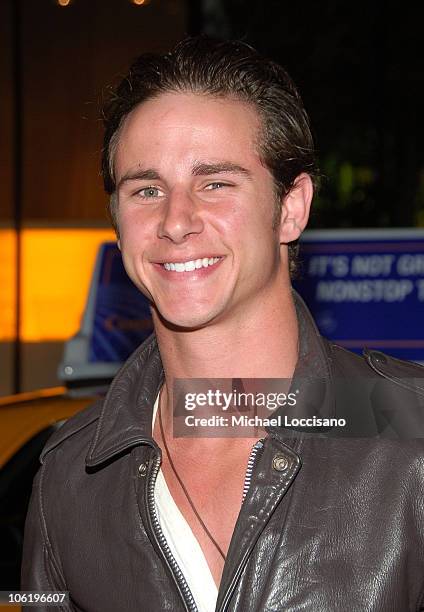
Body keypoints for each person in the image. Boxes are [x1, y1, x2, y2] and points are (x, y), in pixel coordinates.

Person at [22, 37, 424, 611]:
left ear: (291, 208)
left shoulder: (410, 434)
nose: (175, 221)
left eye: (215, 183)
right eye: (146, 189)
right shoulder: (72, 475)